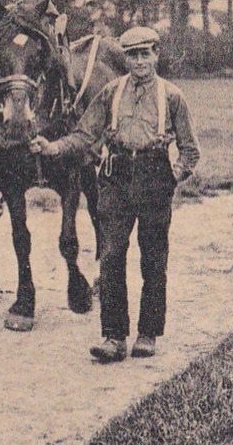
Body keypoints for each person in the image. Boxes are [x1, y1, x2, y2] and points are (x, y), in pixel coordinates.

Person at [31, 26, 199, 363]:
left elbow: (191, 151)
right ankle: (113, 337)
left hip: (154, 176)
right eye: (133, 55)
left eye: (145, 53)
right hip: (116, 177)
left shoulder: (172, 97)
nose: (140, 61)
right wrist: (52, 149)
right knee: (110, 258)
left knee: (153, 259)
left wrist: (171, 176)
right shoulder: (110, 93)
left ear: (156, 55)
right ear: (125, 58)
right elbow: (83, 135)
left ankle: (148, 333)